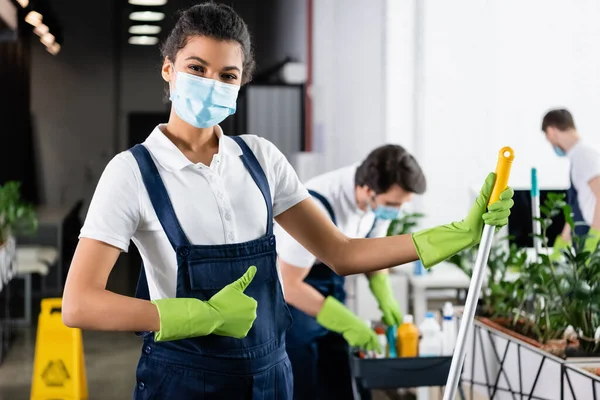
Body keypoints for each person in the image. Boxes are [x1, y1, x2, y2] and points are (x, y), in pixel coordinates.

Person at [61, 3, 514, 399]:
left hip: (271, 377)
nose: (211, 83)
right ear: (168, 69)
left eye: (227, 75)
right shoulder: (132, 172)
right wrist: (194, 315)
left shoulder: (260, 159)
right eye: (196, 68)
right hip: (183, 380)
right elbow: (80, 303)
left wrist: (456, 233)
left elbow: (341, 252)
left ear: (240, 85)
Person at [275, 144, 426, 399]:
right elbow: (289, 285)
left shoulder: (380, 203)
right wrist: (348, 323)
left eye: (402, 204)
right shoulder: (314, 207)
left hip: (330, 282)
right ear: (368, 191)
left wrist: (385, 298)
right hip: (297, 292)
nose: (396, 211)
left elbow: (374, 255)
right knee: (306, 376)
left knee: (341, 374)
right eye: (392, 203)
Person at [541, 108, 600, 258]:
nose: (551, 144)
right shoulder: (577, 158)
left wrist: (593, 240)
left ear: (552, 130)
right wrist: (562, 243)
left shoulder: (584, 156)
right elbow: (576, 208)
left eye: (548, 139)